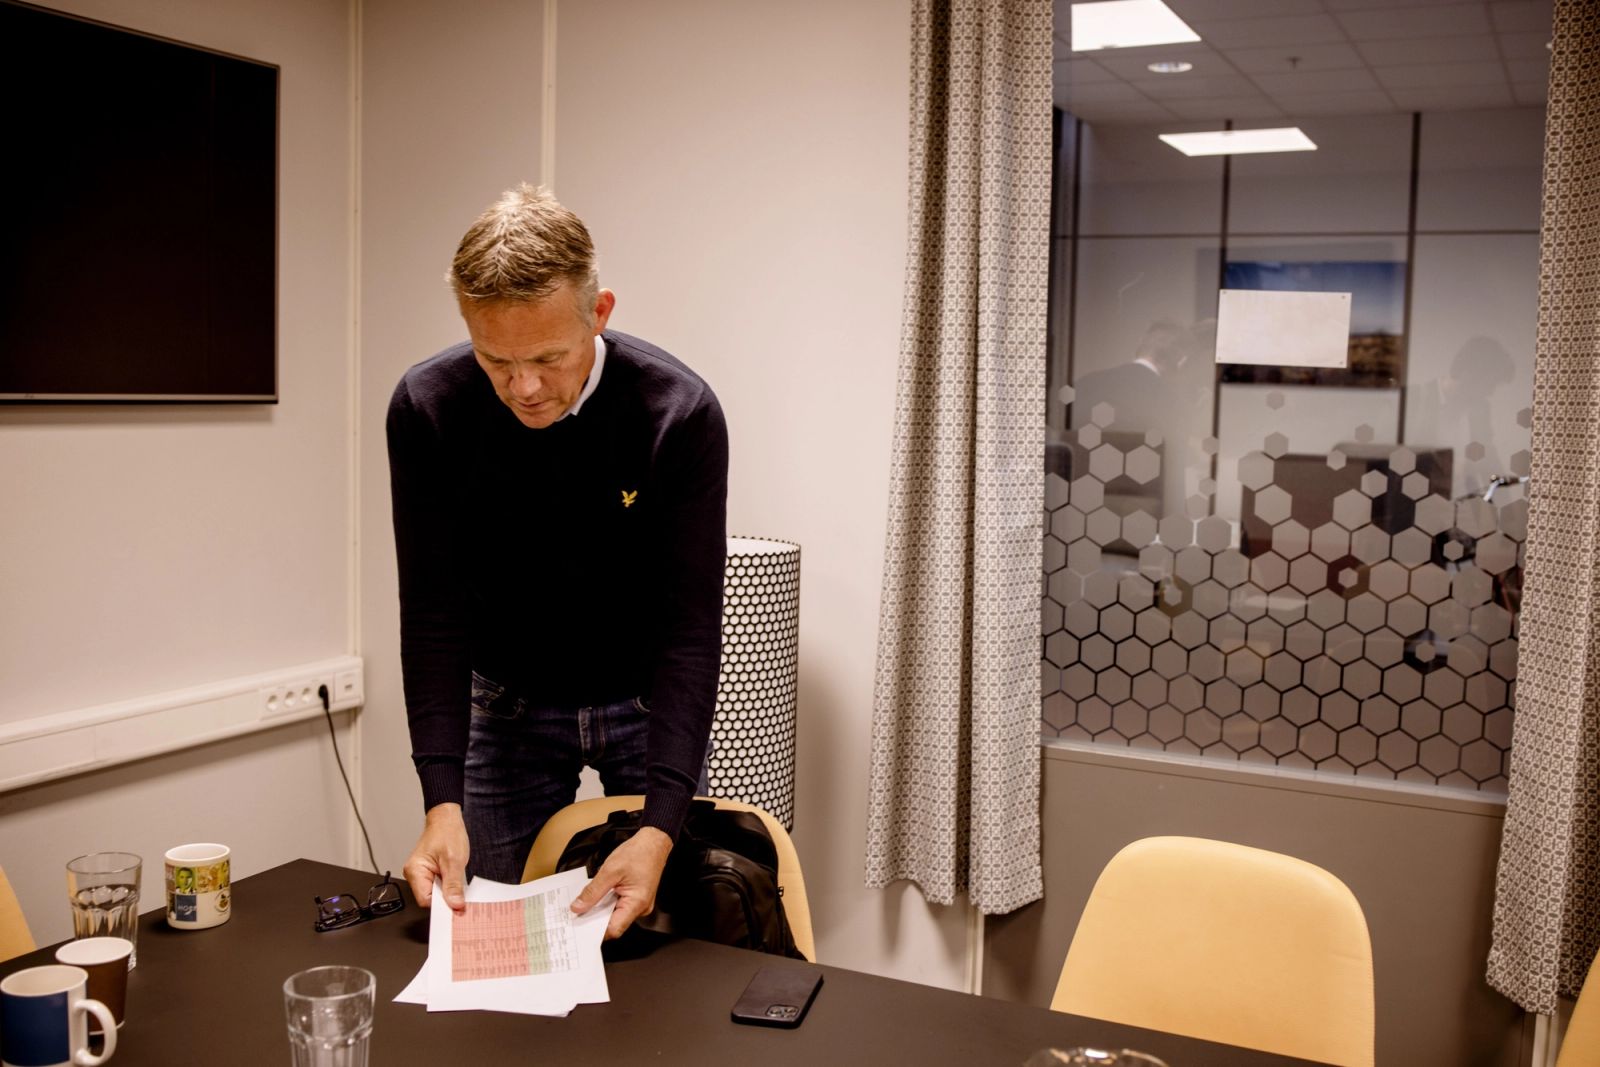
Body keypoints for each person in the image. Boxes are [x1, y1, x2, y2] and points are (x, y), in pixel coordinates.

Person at [386, 184, 728, 938]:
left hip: (644, 702)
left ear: (598, 313)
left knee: (665, 940)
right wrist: (440, 799)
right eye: (495, 360)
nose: (525, 388)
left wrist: (662, 823)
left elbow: (691, 629)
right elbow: (434, 614)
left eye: (548, 357)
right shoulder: (429, 407)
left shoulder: (678, 412)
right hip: (505, 705)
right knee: (490, 937)